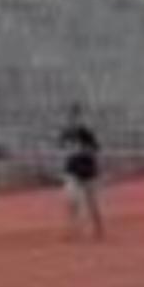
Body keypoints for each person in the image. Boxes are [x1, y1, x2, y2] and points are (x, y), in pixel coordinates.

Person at [58, 103, 105, 240]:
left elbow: (96, 149)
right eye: (72, 118)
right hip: (72, 171)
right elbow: (61, 147)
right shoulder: (66, 133)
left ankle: (98, 228)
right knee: (71, 200)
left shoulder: (87, 133)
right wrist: (68, 149)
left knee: (92, 203)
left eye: (77, 118)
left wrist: (84, 150)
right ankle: (73, 230)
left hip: (88, 171)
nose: (74, 120)